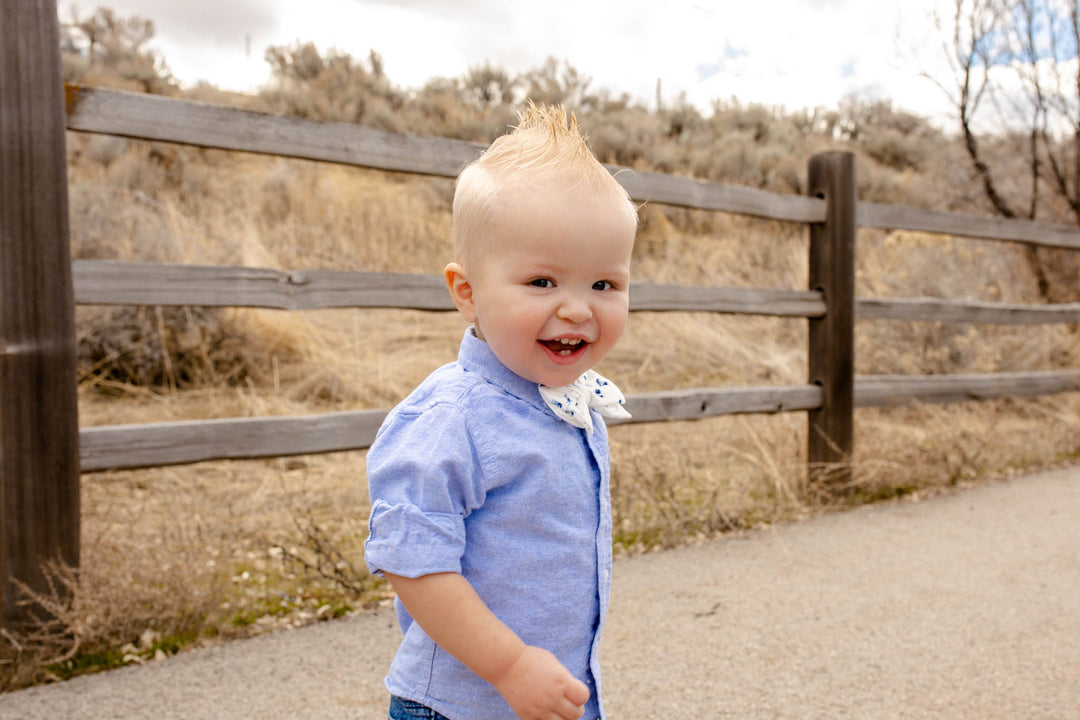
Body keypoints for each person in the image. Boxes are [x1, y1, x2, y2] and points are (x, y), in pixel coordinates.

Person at [364, 102, 638, 720]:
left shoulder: (566, 401)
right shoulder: (450, 418)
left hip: (548, 690)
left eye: (604, 284)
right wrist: (509, 664)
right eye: (543, 282)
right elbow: (414, 563)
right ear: (468, 293)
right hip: (464, 703)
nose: (577, 309)